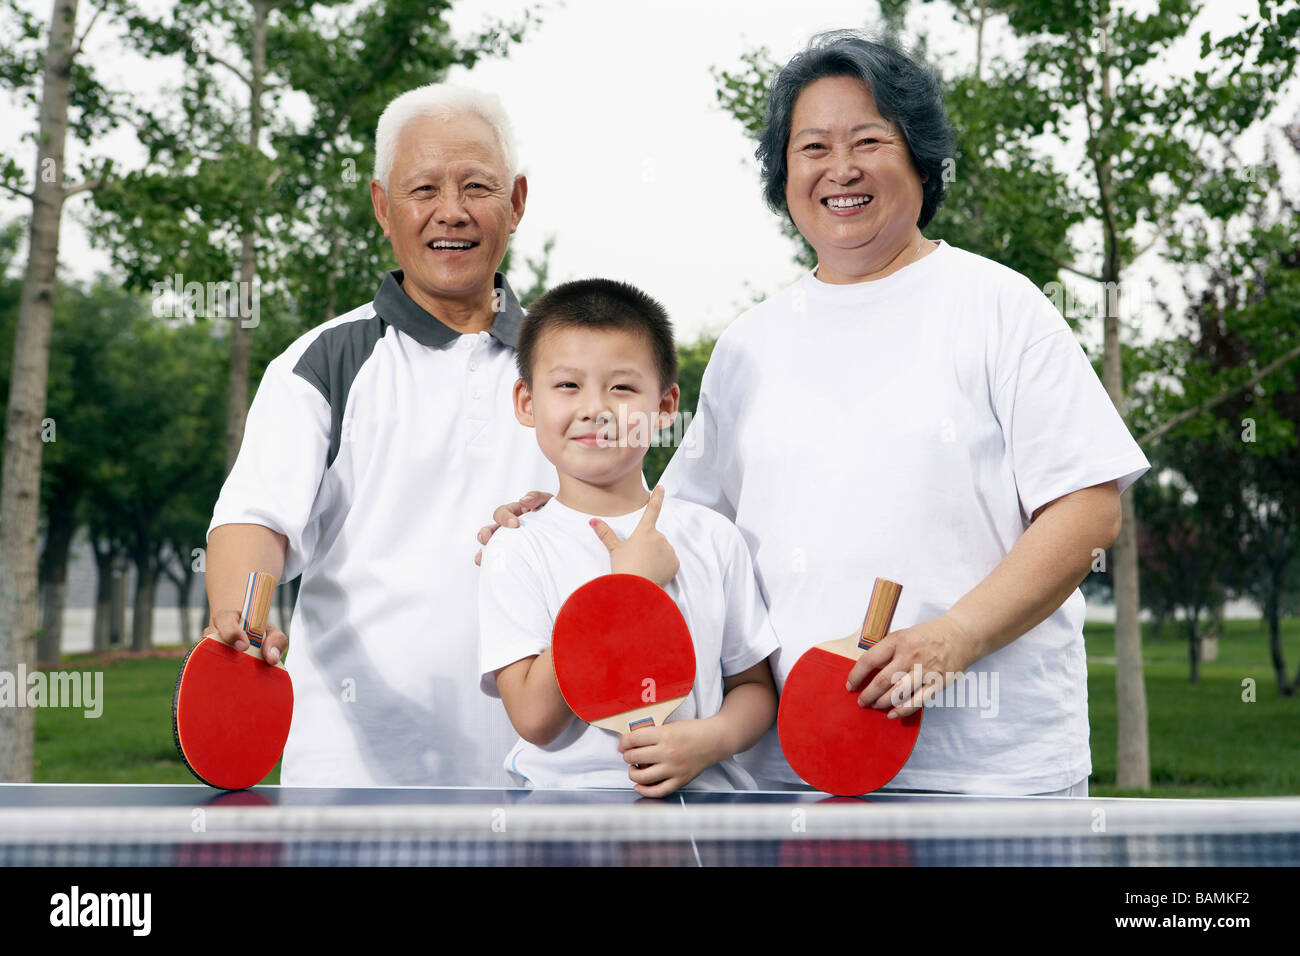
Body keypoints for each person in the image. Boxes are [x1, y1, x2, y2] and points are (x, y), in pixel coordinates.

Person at [480, 32, 1150, 796]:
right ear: (785, 173)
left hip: (990, 777)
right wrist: (552, 514)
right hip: (786, 778)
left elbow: (1088, 509)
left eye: (869, 140)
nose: (841, 169)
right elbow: (679, 531)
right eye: (813, 147)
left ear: (921, 161)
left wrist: (956, 636)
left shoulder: (1003, 308)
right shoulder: (748, 344)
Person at [203, 84, 557, 786]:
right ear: (382, 208)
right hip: (354, 781)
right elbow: (256, 518)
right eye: (423, 188)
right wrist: (242, 616)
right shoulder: (323, 362)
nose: (450, 212)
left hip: (544, 779)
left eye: (476, 187)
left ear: (516, 203)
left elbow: (621, 516)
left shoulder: (575, 362)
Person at [477, 279, 778, 796]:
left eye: (621, 388)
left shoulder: (713, 537)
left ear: (665, 408)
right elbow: (535, 720)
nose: (595, 408)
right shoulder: (516, 546)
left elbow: (752, 687)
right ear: (527, 402)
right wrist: (623, 590)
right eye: (568, 385)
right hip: (566, 822)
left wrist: (711, 739)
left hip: (711, 815)